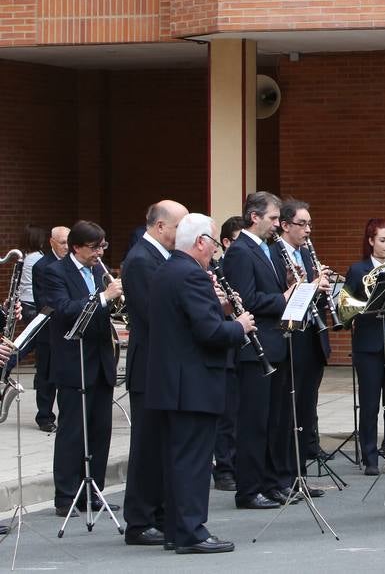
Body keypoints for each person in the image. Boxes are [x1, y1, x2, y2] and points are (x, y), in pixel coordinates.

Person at [147, 213, 254, 554]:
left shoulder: (168, 270)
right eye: (212, 244)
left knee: (177, 459)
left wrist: (218, 306)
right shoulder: (191, 275)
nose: (214, 252)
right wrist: (239, 325)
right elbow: (208, 332)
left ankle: (175, 530)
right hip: (191, 384)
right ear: (200, 242)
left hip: (173, 382)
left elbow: (188, 320)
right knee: (192, 462)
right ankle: (192, 532)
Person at [34, 220, 122, 515]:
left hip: (100, 359)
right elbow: (63, 310)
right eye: (94, 247)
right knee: (73, 431)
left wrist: (115, 301)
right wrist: (102, 298)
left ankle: (93, 491)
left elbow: (105, 310)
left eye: (103, 246)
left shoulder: (98, 271)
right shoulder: (54, 272)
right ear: (76, 247)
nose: (100, 253)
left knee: (101, 430)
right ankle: (66, 495)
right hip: (74, 361)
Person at [121, 199, 188, 547]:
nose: (183, 234)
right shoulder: (140, 260)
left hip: (163, 366)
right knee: (147, 447)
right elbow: (153, 314)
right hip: (148, 366)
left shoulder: (160, 257)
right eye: (179, 227)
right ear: (160, 226)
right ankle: (139, 520)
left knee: (163, 444)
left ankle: (159, 513)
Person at [221, 191, 291, 510]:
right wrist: (284, 299)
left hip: (276, 343)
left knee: (274, 420)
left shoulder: (270, 248)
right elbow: (244, 299)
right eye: (274, 218)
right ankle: (248, 489)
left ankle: (271, 481)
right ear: (254, 217)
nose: (277, 224)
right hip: (254, 347)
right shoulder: (239, 251)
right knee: (253, 421)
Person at [268, 199, 333, 474]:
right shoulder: (273, 253)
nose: (308, 230)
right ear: (285, 225)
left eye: (309, 224)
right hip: (289, 339)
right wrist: (311, 286)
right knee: (287, 409)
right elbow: (284, 294)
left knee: (307, 408)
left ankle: (300, 473)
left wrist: (323, 289)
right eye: (301, 224)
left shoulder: (305, 253)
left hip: (311, 338)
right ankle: (285, 473)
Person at [346, 218, 385, 475]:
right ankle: (370, 457)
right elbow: (346, 308)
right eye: (382, 240)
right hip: (369, 342)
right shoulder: (358, 269)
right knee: (370, 402)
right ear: (371, 241)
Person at [212, 215, 246, 492]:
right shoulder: (217, 270)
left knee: (238, 412)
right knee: (226, 414)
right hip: (223, 348)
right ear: (225, 243)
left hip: (241, 345)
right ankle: (224, 468)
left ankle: (237, 463)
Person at [17, 225, 58, 432]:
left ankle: (6, 364)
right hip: (41, 316)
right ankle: (44, 416)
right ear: (50, 242)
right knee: (45, 369)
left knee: (25, 347)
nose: (67, 247)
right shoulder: (40, 263)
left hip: (48, 316)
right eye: (63, 243)